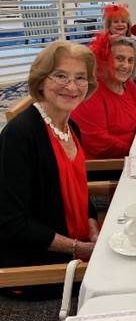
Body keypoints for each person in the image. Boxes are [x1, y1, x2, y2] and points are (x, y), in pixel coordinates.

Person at [0, 41, 99, 267]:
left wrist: (93, 229)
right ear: (41, 80)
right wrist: (79, 248)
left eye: (80, 77)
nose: (72, 87)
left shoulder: (71, 128)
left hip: (80, 245)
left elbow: (79, 190)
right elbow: (11, 222)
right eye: (61, 76)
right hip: (39, 262)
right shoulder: (19, 135)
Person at [72, 34, 136, 159]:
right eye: (119, 59)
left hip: (135, 153)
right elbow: (99, 143)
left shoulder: (129, 85)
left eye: (130, 60)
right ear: (103, 59)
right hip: (108, 163)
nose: (126, 65)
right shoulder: (91, 92)